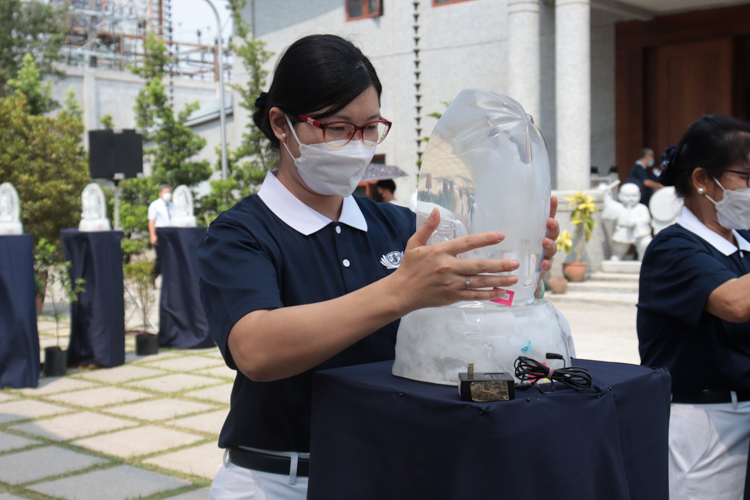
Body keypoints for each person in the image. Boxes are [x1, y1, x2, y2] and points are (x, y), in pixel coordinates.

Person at [197, 34, 560, 500]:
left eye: (370, 128)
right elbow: (256, 349)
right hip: (281, 481)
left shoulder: (398, 226)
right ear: (281, 124)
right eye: (335, 128)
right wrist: (398, 292)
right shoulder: (242, 233)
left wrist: (514, 265)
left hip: (388, 468)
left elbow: (463, 315)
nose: (356, 144)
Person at [637, 115, 750, 500]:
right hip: (704, 425)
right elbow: (735, 303)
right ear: (702, 180)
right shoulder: (673, 248)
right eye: (747, 178)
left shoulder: (745, 242)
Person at [148, 184, 173, 279]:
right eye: (166, 192)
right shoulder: (155, 205)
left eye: (169, 192)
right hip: (160, 232)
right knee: (161, 257)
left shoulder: (172, 205)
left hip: (171, 231)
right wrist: (153, 235)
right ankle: (153, 276)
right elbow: (151, 221)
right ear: (160, 194)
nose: (168, 194)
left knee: (171, 257)